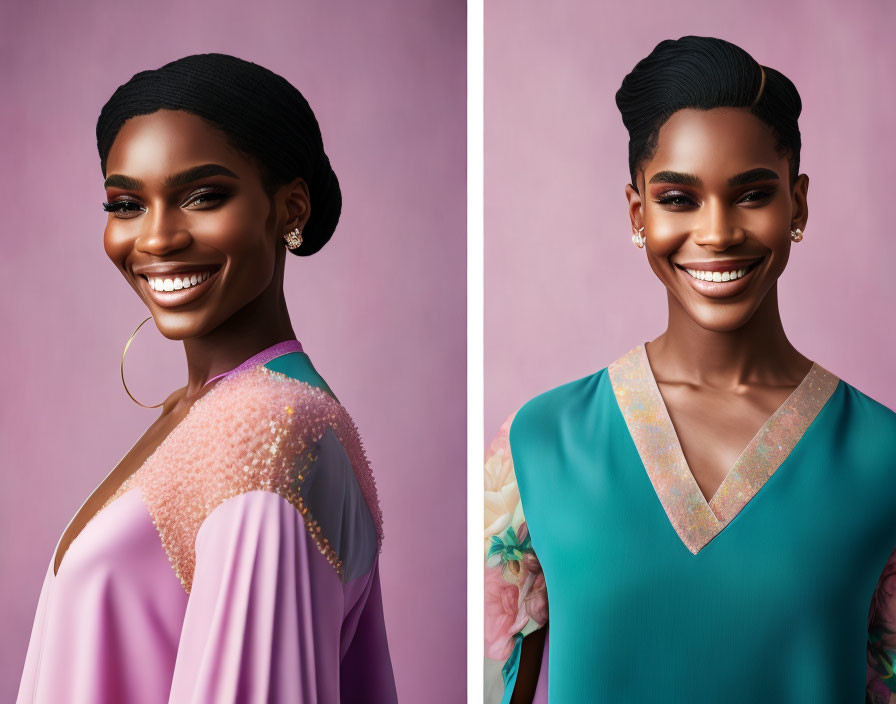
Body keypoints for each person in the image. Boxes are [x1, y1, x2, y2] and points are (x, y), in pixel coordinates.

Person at [484, 35, 896, 703]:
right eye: (679, 198)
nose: (717, 232)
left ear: (799, 203)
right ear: (637, 211)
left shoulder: (884, 458)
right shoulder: (536, 446)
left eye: (753, 194)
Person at [17, 53, 397, 703]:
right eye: (127, 203)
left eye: (203, 196)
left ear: (290, 209)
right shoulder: (213, 411)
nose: (158, 238)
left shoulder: (269, 431)